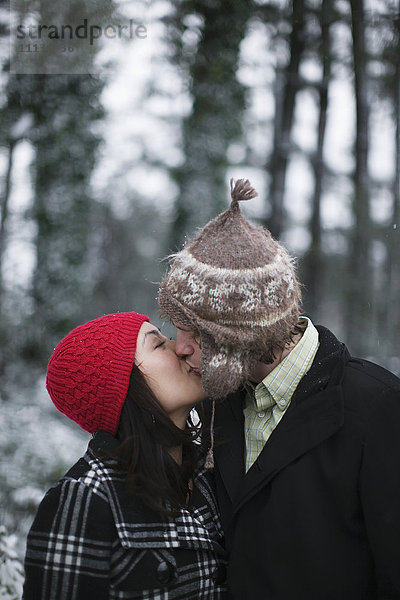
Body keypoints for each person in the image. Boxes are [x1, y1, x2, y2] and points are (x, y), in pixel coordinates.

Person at [158, 179, 400, 599]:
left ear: (241, 334)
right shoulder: (216, 398)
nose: (179, 348)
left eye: (194, 333)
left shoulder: (378, 407)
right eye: (176, 329)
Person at [23, 311, 227, 600]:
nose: (181, 348)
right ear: (122, 386)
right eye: (157, 345)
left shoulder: (210, 469)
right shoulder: (85, 497)